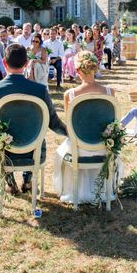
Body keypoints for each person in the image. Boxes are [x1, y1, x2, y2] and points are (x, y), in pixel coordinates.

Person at [0, 43, 67, 195]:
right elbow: (53, 122)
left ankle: (10, 183)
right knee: (36, 139)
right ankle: (28, 181)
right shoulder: (39, 90)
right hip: (33, 152)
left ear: (4, 62)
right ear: (26, 63)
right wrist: (70, 132)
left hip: (4, 152)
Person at [53, 51, 120, 204]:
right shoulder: (110, 92)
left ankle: (74, 190)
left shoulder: (69, 94)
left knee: (61, 151)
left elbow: (70, 128)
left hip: (79, 148)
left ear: (77, 71)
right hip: (104, 147)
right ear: (95, 68)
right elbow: (114, 124)